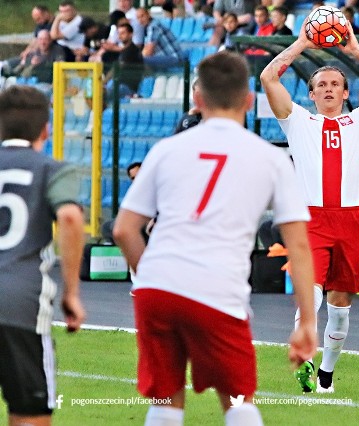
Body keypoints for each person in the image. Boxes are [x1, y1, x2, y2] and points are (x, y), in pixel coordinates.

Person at [113, 51, 317, 426]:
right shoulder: (270, 158)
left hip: (157, 289)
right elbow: (299, 245)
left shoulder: (166, 150)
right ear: (249, 100)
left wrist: (156, 273)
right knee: (238, 400)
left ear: (197, 99)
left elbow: (124, 229)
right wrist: (306, 322)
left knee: (164, 399)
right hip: (216, 290)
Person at [260, 19, 359, 393]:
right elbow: (269, 79)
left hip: (350, 220)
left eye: (334, 83)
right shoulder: (298, 121)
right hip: (312, 220)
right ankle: (303, 358)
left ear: (344, 92)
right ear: (310, 94)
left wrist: (354, 50)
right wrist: (301, 44)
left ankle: (326, 372)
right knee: (313, 294)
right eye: (320, 84)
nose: (327, 88)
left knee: (340, 306)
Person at [0, 85, 86, 426]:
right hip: (19, 302)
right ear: (45, 129)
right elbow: (69, 216)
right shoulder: (51, 169)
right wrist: (72, 293)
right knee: (30, 414)